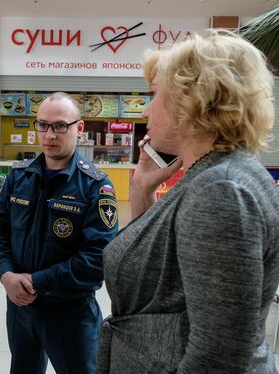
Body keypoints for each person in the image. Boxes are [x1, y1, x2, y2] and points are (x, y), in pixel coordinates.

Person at [96, 31, 279, 373]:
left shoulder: (221, 190)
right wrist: (142, 188)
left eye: (155, 96)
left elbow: (219, 357)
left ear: (192, 102)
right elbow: (164, 279)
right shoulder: (217, 175)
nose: (146, 109)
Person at [0, 92, 119, 374]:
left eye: (60, 126)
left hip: (70, 312)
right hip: (20, 307)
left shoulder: (96, 186)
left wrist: (37, 280)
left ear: (79, 129)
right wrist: (6, 274)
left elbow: (98, 259)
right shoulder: (19, 176)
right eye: (42, 125)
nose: (49, 134)